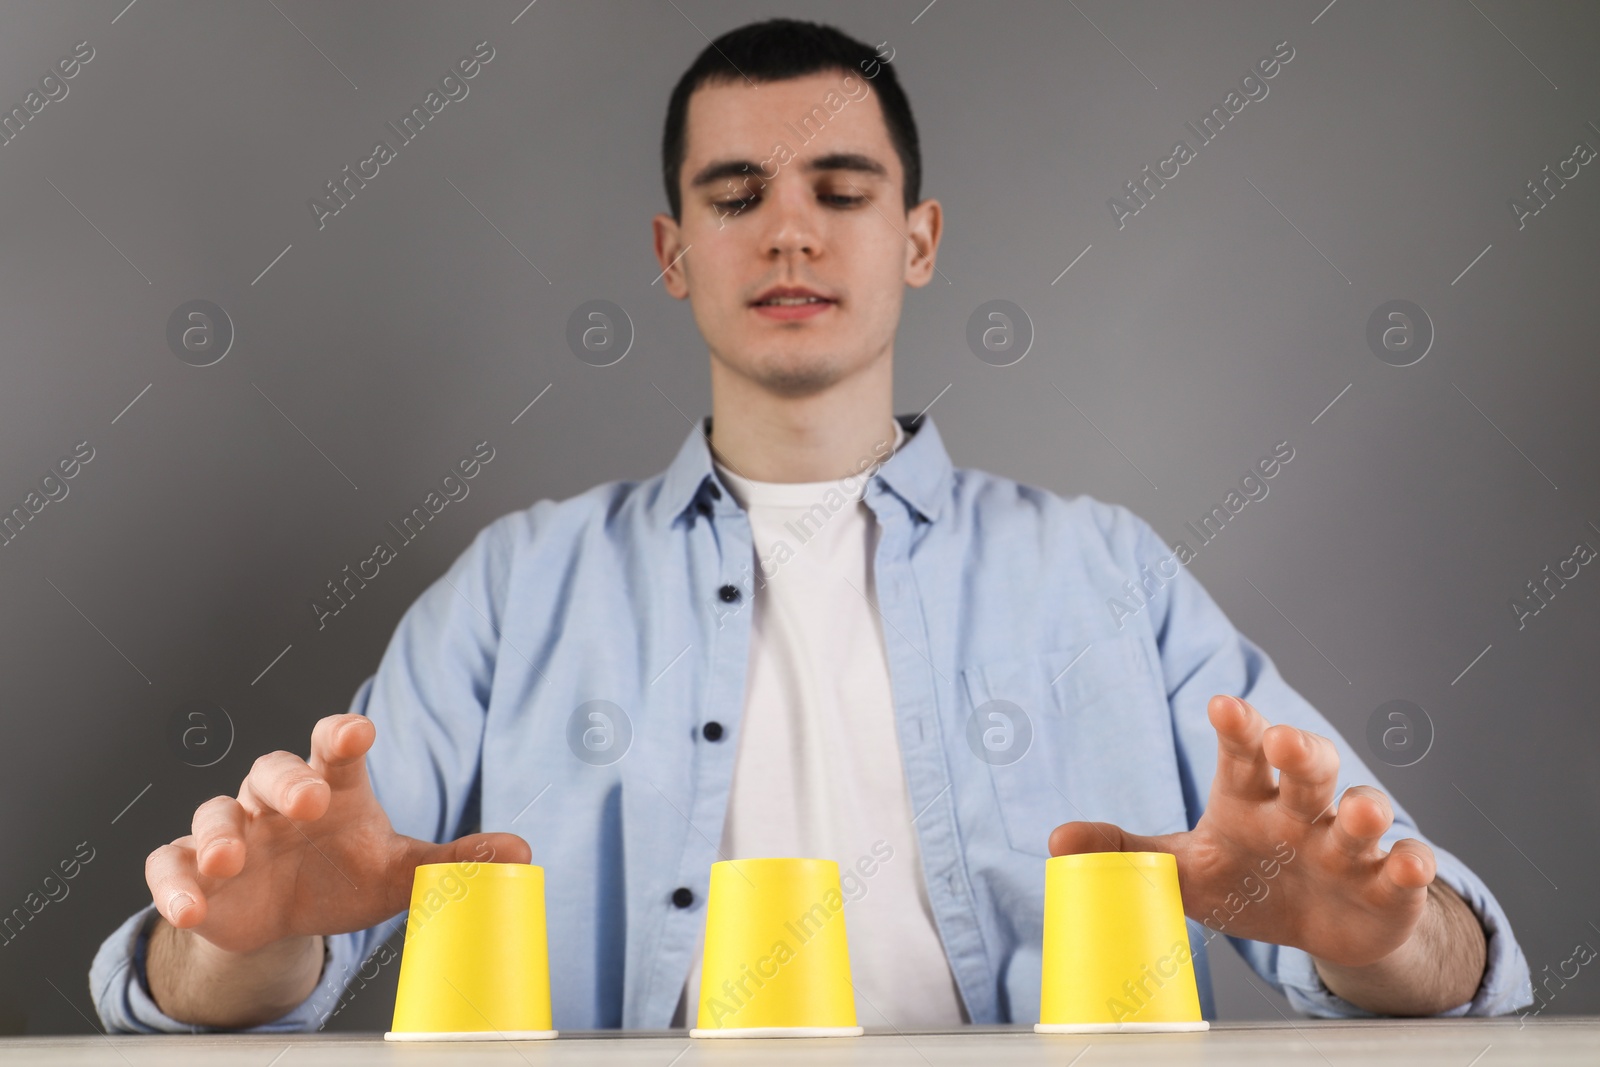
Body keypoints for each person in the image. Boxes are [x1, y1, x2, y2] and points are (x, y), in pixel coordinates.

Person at [90, 18, 1531, 1033]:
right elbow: (249, 978)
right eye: (737, 196)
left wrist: (1384, 938)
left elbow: (1454, 960)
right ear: (672, 253)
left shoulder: (1106, 572)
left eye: (842, 192)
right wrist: (247, 943)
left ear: (918, 238)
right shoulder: (514, 591)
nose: (790, 235)